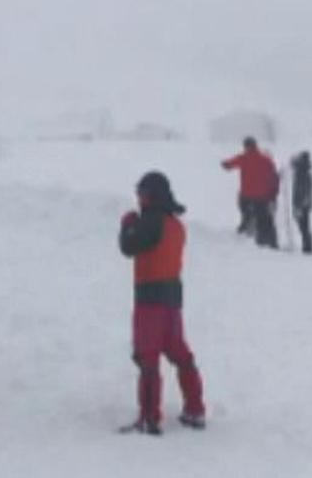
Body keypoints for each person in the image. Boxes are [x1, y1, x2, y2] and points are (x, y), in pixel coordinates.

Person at [119, 171, 205, 435]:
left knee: (148, 358)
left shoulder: (151, 221)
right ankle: (195, 409)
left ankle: (149, 417)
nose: (139, 198)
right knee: (181, 355)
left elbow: (128, 246)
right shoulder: (176, 224)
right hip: (172, 301)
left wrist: (127, 223)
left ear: (151, 195)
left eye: (141, 193)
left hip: (149, 301)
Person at [222, 137, 279, 249]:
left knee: (246, 215)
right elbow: (274, 177)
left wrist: (224, 164)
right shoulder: (266, 159)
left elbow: (228, 165)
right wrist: (273, 193)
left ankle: (247, 235)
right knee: (265, 219)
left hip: (246, 195)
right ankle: (271, 242)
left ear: (246, 146)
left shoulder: (243, 158)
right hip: (263, 196)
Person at [291, 151, 312, 254]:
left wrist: (300, 204)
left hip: (301, 203)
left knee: (303, 226)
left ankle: (307, 247)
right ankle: (307, 246)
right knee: (304, 226)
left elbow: (304, 190)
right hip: (303, 203)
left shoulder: (302, 173)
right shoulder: (304, 171)